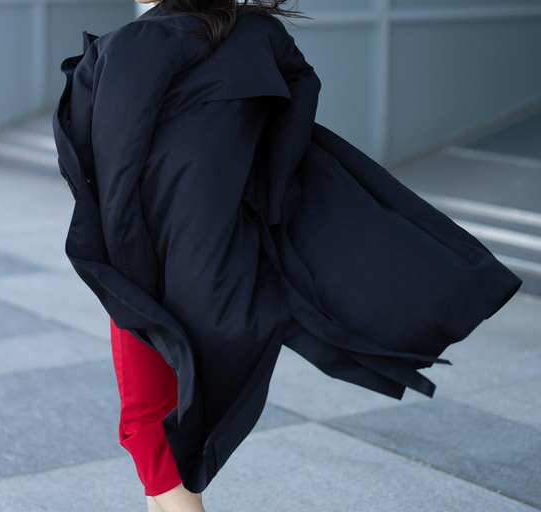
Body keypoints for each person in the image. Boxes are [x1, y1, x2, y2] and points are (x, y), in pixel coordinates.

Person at [52, 0, 523, 510]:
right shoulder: (257, 35)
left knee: (148, 419)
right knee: (166, 422)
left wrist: (122, 270)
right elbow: (288, 136)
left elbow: (112, 172)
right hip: (224, 251)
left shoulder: (130, 47)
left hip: (146, 254)